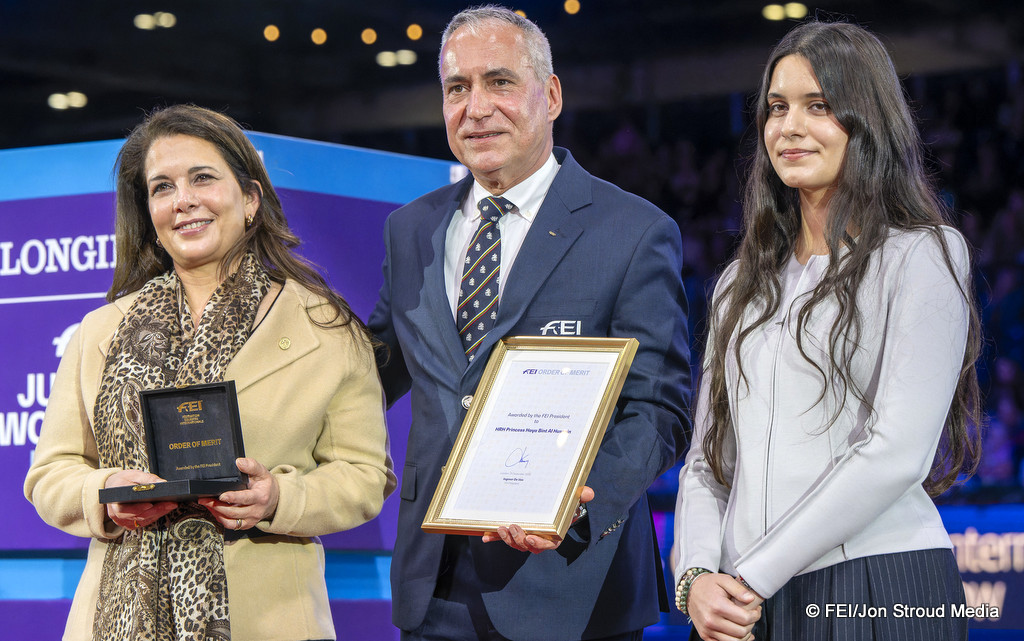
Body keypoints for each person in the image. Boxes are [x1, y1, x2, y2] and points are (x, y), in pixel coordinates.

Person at [367, 5, 691, 641]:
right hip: (432, 584)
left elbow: (660, 409)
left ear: (552, 96)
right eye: (457, 88)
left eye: (500, 82)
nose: (476, 108)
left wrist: (575, 503)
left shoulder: (633, 231)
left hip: (571, 584)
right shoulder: (410, 229)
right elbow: (373, 370)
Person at [24, 104, 396, 641]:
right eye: (163, 187)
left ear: (250, 198)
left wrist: (278, 498)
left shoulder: (326, 328)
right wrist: (105, 491)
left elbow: (364, 475)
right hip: (113, 618)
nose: (184, 200)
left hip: (267, 617)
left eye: (202, 178)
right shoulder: (99, 331)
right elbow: (50, 474)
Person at [671, 20, 982, 641]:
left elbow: (896, 451)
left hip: (877, 583)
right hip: (747, 601)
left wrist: (753, 573)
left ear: (867, 120)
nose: (789, 127)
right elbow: (707, 460)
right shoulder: (740, 282)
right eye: (777, 107)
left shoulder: (922, 253)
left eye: (818, 106)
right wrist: (697, 576)